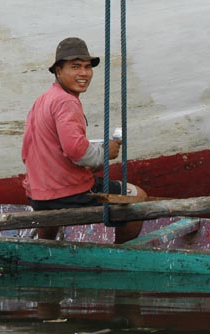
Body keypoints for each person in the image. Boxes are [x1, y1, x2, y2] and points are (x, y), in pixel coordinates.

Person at [21, 37, 145, 243]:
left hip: (37, 194)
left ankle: (44, 246)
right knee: (137, 196)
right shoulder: (66, 102)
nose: (84, 73)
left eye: (87, 67)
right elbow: (76, 151)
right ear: (58, 71)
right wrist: (107, 153)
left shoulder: (44, 99)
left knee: (49, 212)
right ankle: (121, 254)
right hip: (67, 194)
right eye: (75, 66)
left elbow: (34, 148)